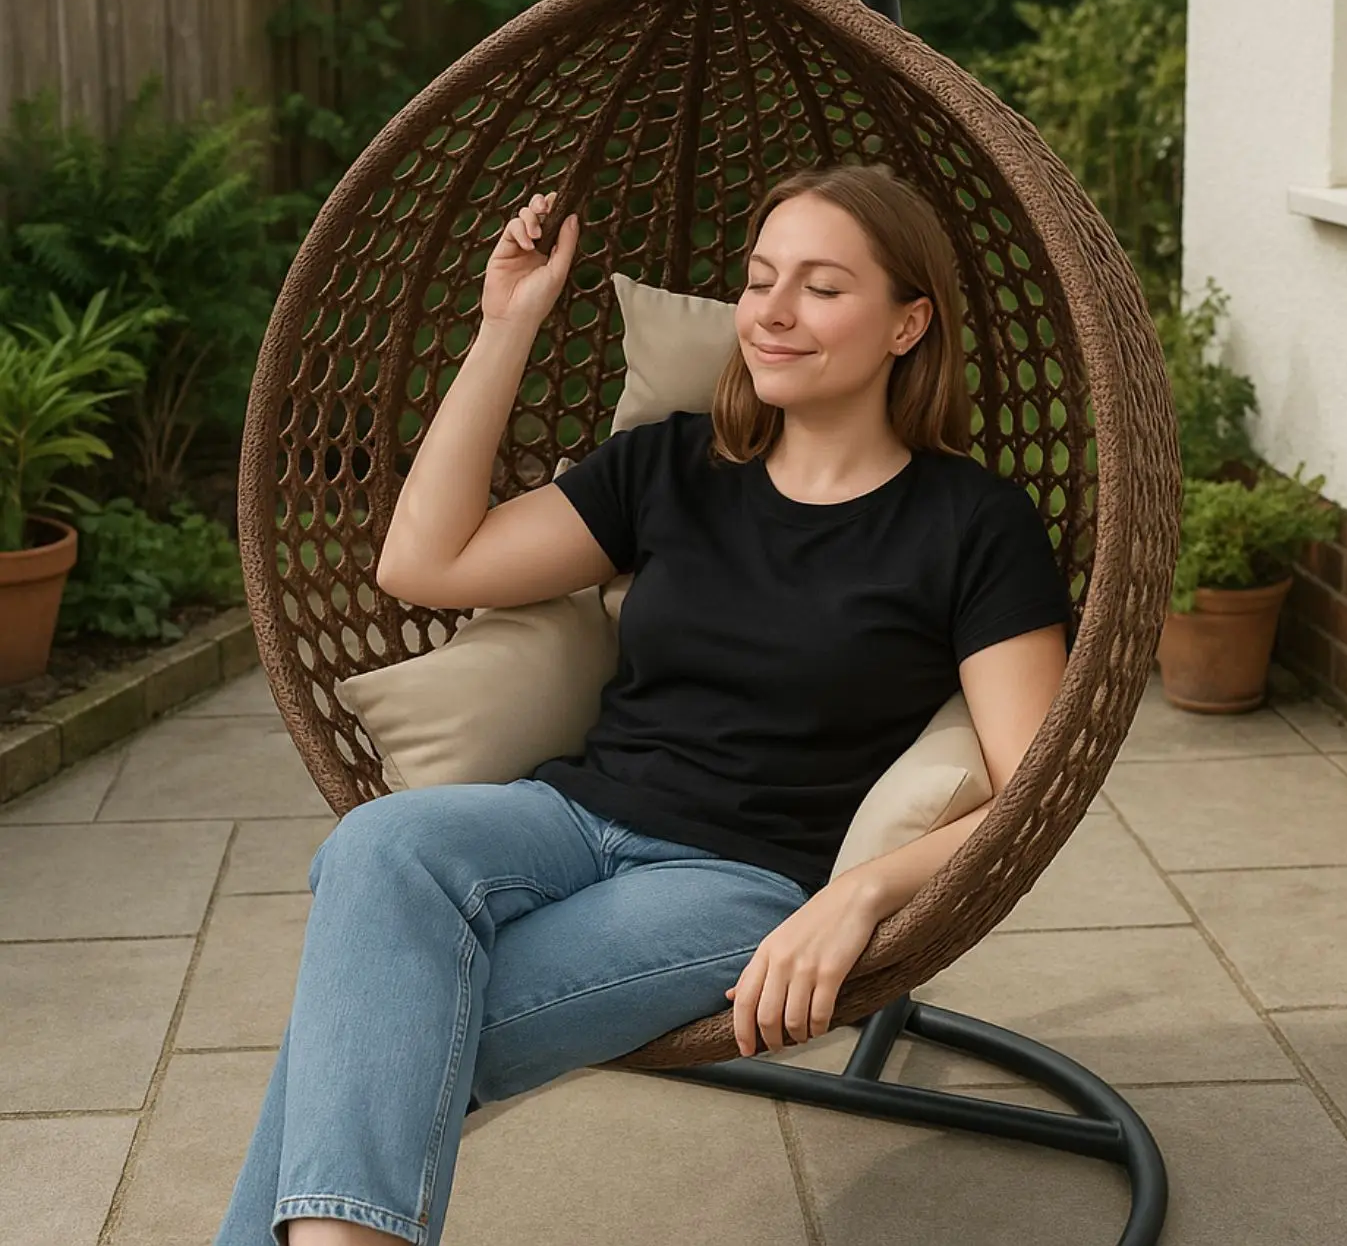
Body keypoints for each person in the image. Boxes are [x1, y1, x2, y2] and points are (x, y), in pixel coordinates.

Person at [215, 163, 1071, 1246]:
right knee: (379, 849)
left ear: (909, 324)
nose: (773, 310)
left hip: (738, 883)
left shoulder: (974, 525)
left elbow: (1033, 791)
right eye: (759, 279)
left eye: (821, 287)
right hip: (569, 819)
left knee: (375, 1023)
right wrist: (506, 324)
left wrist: (861, 895)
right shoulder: (673, 465)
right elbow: (423, 565)